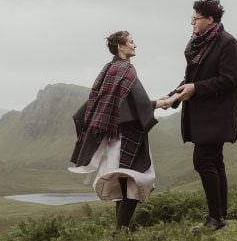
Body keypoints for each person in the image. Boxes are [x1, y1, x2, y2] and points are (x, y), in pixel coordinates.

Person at [69, 31, 175, 230]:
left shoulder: (108, 69)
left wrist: (155, 103)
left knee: (123, 181)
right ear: (121, 46)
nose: (135, 45)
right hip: (127, 135)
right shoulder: (126, 69)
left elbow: (105, 102)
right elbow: (138, 103)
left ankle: (121, 231)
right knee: (133, 180)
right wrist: (160, 103)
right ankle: (121, 231)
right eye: (132, 42)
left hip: (112, 137)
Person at [168, 0, 237, 231]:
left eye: (196, 18)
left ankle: (215, 218)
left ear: (210, 19)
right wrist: (174, 95)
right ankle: (219, 216)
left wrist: (196, 89)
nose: (192, 23)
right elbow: (193, 78)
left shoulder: (228, 44)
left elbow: (228, 79)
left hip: (217, 115)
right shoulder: (199, 45)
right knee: (215, 162)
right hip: (202, 114)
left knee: (203, 161)